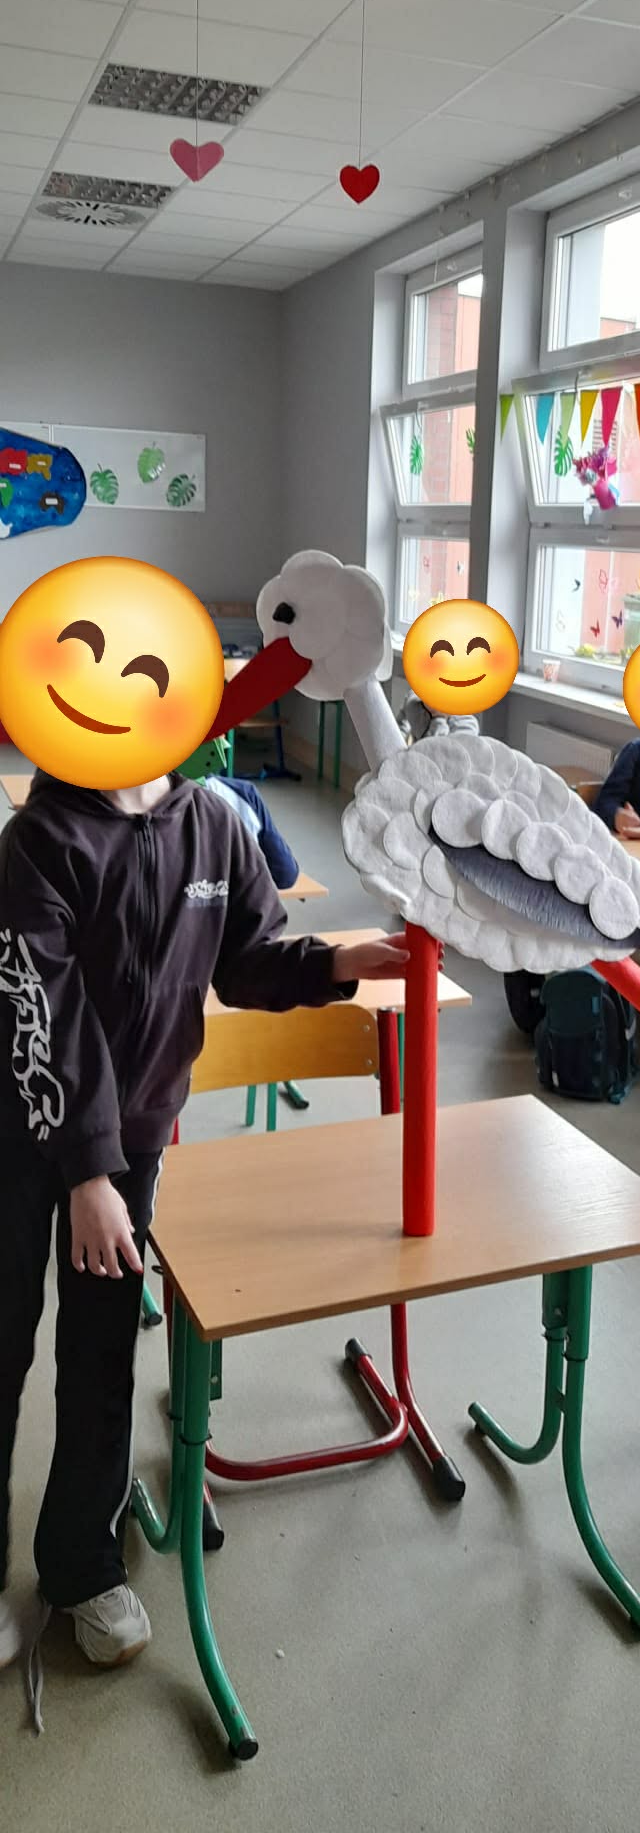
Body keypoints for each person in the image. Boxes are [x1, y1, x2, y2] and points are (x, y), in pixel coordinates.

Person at [0, 765, 408, 1673]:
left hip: (131, 1139)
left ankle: (83, 1567)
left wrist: (336, 964)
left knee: (101, 1352)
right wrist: (87, 1168)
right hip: (24, 1133)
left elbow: (248, 957)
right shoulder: (39, 840)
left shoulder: (214, 824)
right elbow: (47, 1012)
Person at [397, 689, 479, 746]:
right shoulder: (412, 700)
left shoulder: (467, 726)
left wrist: (438, 718)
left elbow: (437, 757)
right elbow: (398, 730)